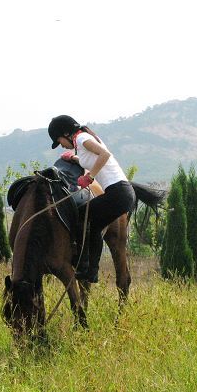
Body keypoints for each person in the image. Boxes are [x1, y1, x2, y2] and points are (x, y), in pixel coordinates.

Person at [48, 114, 135, 283]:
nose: (61, 145)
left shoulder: (81, 138)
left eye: (60, 141)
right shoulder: (83, 140)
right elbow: (92, 158)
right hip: (121, 193)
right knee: (93, 227)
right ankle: (90, 271)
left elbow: (105, 154)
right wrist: (73, 158)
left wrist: (90, 177)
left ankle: (85, 266)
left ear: (66, 133)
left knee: (81, 216)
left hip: (118, 193)